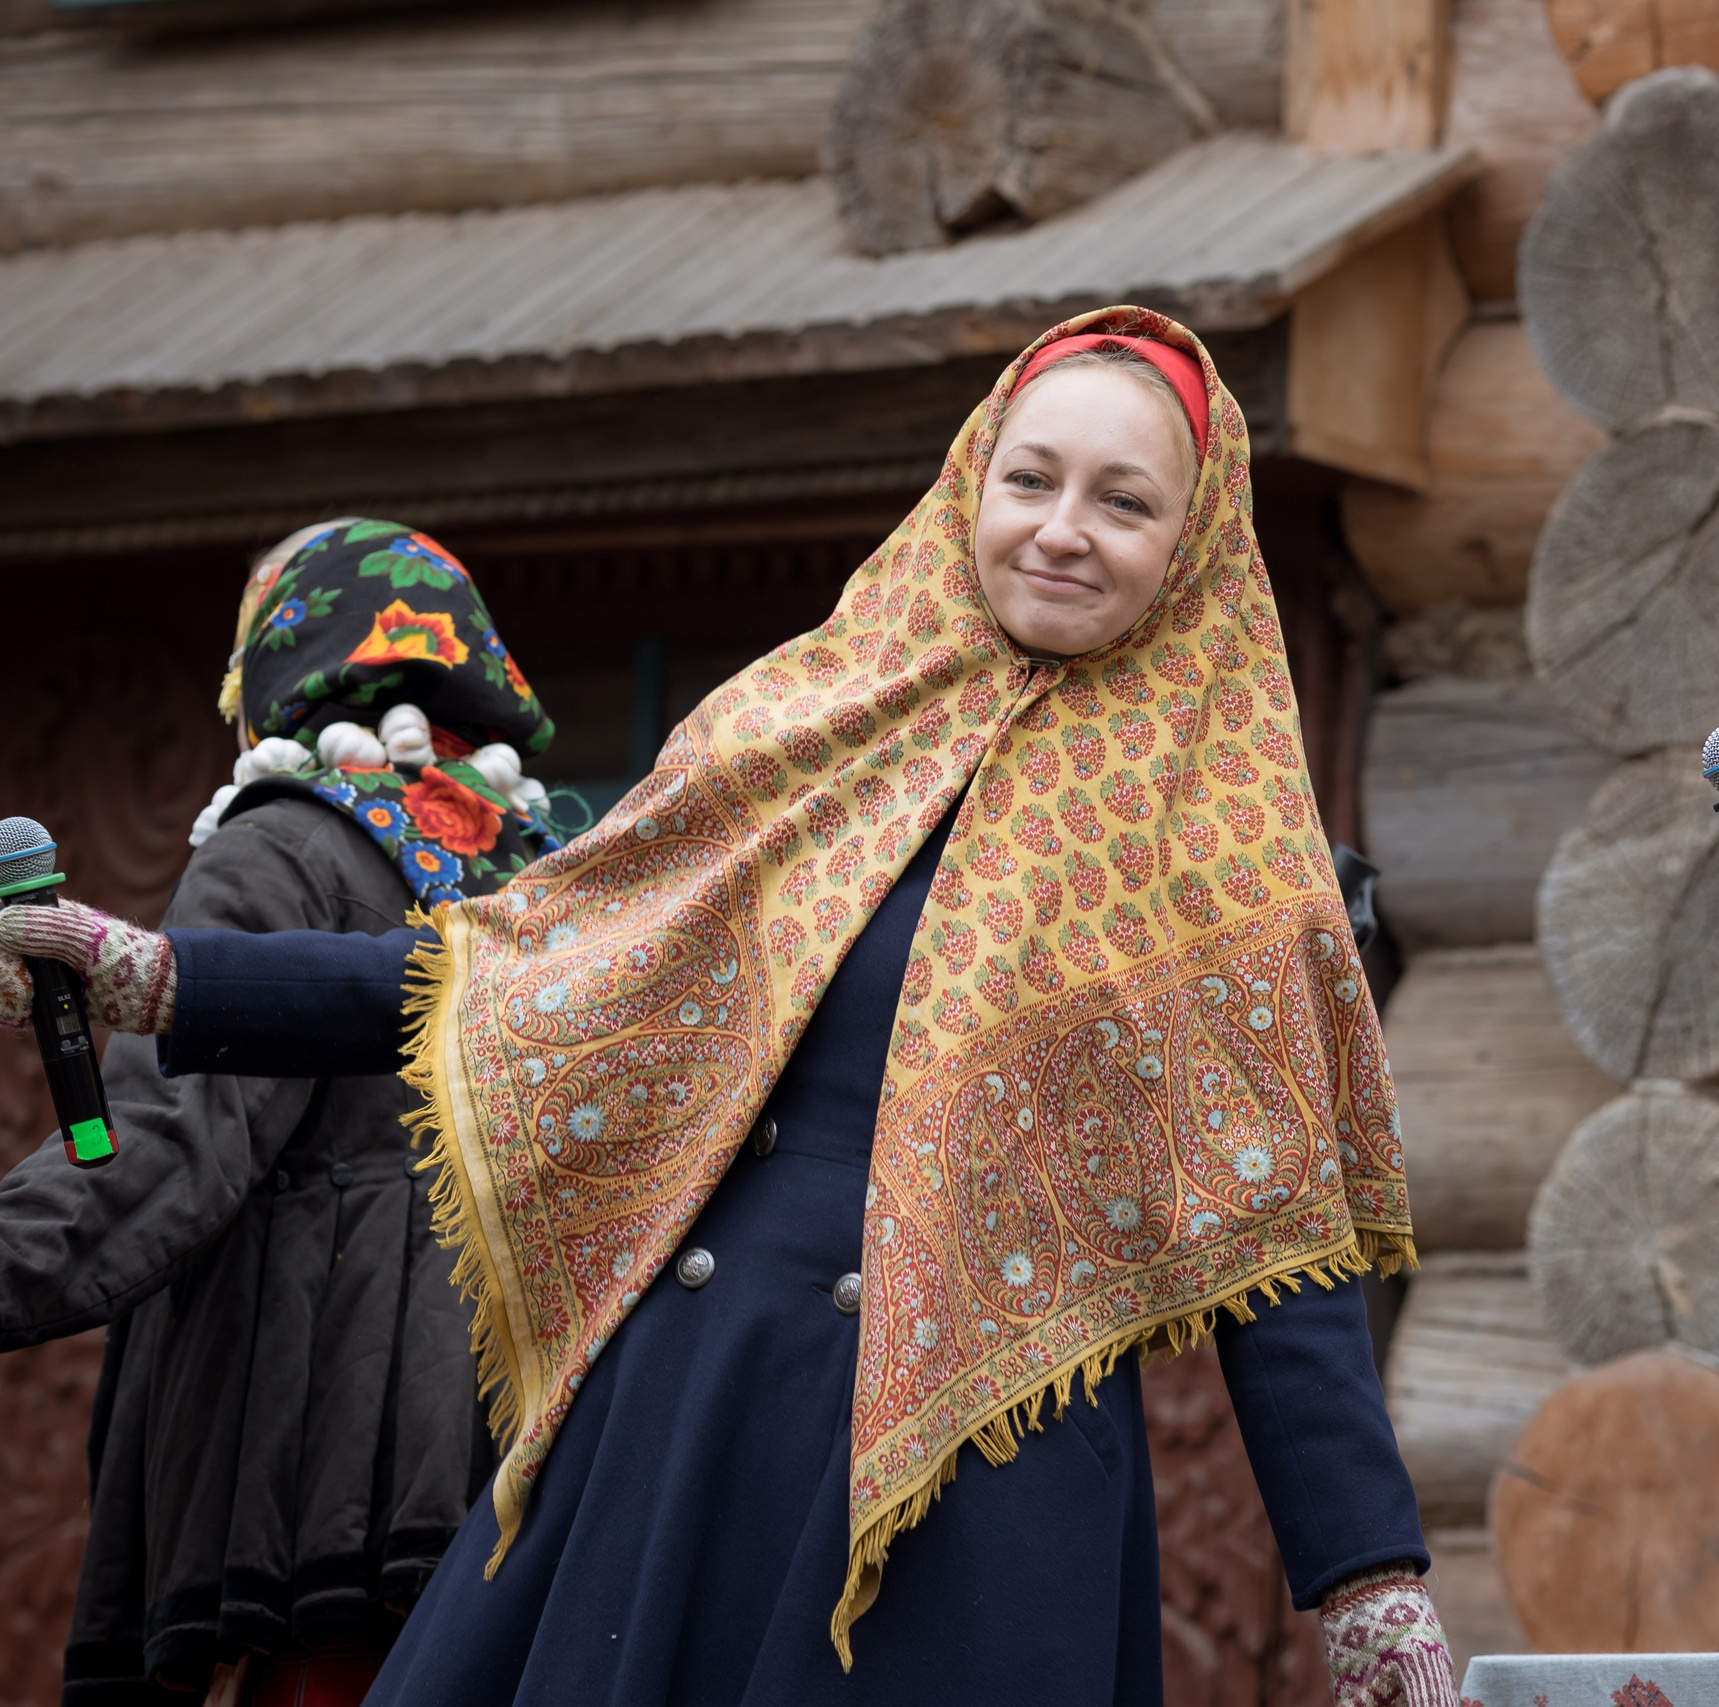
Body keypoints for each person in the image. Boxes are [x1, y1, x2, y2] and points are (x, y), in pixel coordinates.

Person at [0, 309, 1457, 1707]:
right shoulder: (799, 734)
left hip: (984, 1489)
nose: (1064, 527)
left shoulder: (1221, 862)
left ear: (1192, 548)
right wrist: (166, 975)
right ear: (972, 485)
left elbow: (1286, 1233)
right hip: (702, 1418)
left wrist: (1366, 1565)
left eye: (1125, 501)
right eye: (1032, 477)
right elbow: (508, 985)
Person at [0, 520, 562, 1705]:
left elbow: (166, 1143)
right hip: (521, 1467)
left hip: (321, 1469)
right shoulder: (552, 871)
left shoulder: (286, 845)